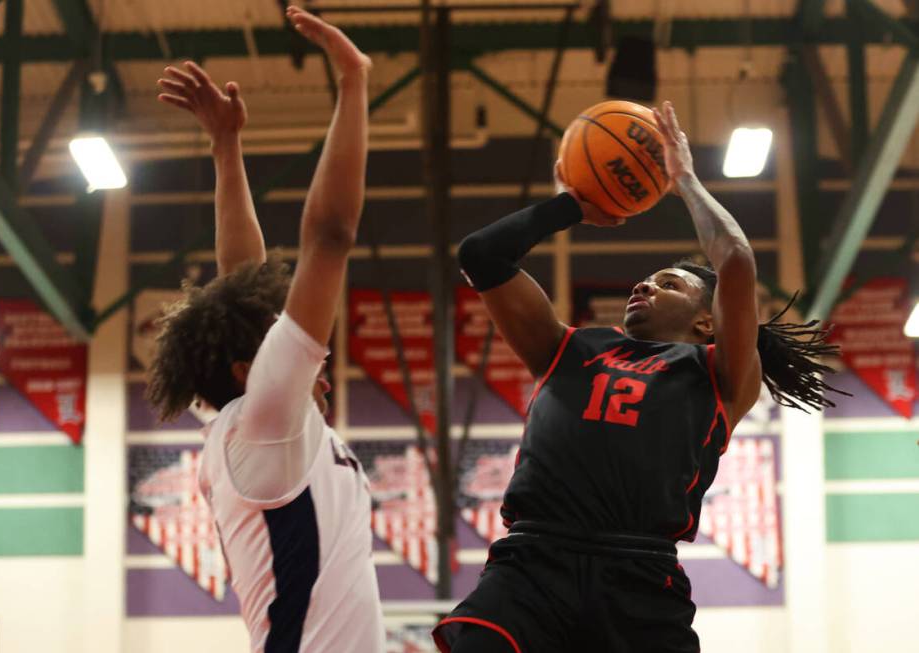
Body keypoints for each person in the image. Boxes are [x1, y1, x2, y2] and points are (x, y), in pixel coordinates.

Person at [433, 101, 842, 653]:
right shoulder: (568, 347)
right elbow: (482, 255)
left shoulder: (719, 375)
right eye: (645, 280)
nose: (644, 286)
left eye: (667, 284)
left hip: (637, 577)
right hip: (533, 563)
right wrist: (569, 207)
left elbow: (737, 260)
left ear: (707, 321)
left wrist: (685, 181)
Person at [146, 7, 385, 652]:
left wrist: (226, 150)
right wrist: (355, 83)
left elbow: (242, 279)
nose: (322, 367)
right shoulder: (266, 424)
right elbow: (329, 238)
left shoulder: (256, 425)